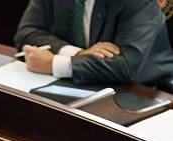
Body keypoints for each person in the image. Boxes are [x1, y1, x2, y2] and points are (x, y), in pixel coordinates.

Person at [14, 0, 173, 86]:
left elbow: (126, 66)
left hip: (144, 91)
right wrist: (77, 53)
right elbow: (26, 33)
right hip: (82, 84)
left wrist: (54, 64)